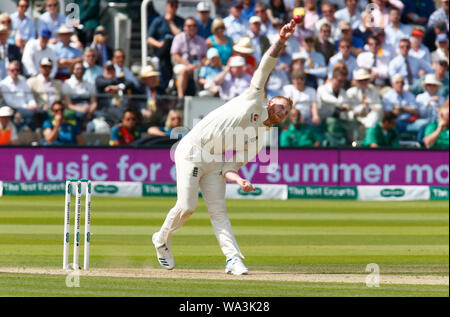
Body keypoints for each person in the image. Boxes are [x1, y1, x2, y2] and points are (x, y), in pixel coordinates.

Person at [151, 19, 296, 275]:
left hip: (215, 161)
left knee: (219, 212)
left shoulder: (262, 138)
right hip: (192, 151)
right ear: (270, 101)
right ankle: (161, 239)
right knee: (187, 207)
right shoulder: (253, 99)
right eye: (281, 106)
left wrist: (239, 181)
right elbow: (265, 66)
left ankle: (233, 259)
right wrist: (281, 40)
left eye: (287, 111)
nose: (282, 112)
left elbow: (231, 167)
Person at [147, 0, 184, 90]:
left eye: (175, 6)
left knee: (169, 40)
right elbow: (149, 38)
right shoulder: (158, 20)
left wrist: (170, 22)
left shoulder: (180, 21)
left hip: (174, 52)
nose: (174, 8)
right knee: (167, 41)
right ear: (166, 5)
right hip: (161, 49)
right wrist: (159, 44)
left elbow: (179, 35)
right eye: (172, 5)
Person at [170, 18, 207, 103]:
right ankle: (180, 98)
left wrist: (200, 65)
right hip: (182, 64)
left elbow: (205, 56)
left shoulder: (201, 40)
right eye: (189, 26)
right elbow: (175, 55)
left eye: (194, 26)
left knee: (205, 71)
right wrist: (187, 65)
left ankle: (202, 97)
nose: (192, 28)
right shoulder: (179, 38)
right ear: (184, 27)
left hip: (197, 65)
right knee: (183, 71)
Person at [0, 60, 39, 131]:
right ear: (7, 71)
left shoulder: (23, 82)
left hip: (25, 108)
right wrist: (27, 107)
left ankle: (28, 130)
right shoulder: (4, 84)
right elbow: (10, 101)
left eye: (17, 70)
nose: (15, 72)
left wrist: (33, 105)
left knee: (41, 112)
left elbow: (30, 97)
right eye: (12, 70)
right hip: (13, 108)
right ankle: (25, 129)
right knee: (31, 114)